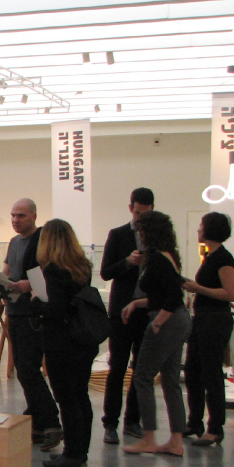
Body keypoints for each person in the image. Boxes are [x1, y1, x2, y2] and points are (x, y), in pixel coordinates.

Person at [122, 211, 192, 458]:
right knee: (170, 381)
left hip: (168, 321)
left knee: (142, 377)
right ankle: (175, 441)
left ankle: (149, 437)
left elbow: (173, 297)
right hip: (179, 320)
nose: (139, 235)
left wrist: (158, 323)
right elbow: (164, 295)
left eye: (141, 230)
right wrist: (136, 304)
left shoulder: (158, 260)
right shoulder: (169, 256)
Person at [30, 220, 99, 467]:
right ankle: (81, 449)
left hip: (61, 342)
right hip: (83, 339)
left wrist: (36, 302)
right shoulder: (82, 267)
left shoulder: (53, 270)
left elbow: (55, 311)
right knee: (80, 395)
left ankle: (72, 452)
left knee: (67, 398)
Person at [3, 199, 62, 450]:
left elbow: (52, 274)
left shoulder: (42, 241)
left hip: (33, 313)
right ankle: (38, 421)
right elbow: (7, 272)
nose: (16, 220)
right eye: (13, 215)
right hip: (15, 311)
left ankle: (50, 422)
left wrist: (28, 285)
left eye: (21, 215)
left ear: (34, 216)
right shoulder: (14, 242)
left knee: (29, 369)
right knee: (23, 370)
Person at [100, 187, 155, 444]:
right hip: (121, 312)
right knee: (117, 367)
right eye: (137, 213)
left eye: (146, 214)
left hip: (147, 311)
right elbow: (105, 271)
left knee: (141, 369)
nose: (140, 218)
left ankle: (133, 420)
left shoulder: (157, 237)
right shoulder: (118, 234)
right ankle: (110, 422)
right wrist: (127, 262)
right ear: (130, 208)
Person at [183, 212, 234, 446]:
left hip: (215, 321)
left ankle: (215, 428)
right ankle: (194, 421)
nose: (198, 230)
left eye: (201, 226)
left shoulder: (223, 258)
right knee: (193, 371)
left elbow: (231, 293)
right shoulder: (210, 256)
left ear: (209, 230)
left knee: (211, 373)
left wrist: (199, 289)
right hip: (203, 319)